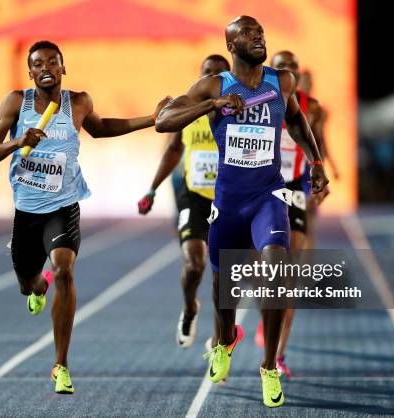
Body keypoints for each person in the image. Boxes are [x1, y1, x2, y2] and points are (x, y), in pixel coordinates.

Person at [155, 16, 328, 408]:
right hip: (228, 202)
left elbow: (297, 121)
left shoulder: (281, 81)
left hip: (267, 196)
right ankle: (224, 340)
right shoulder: (215, 85)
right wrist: (212, 105)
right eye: (249, 34)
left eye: (261, 33)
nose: (259, 38)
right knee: (223, 289)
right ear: (231, 45)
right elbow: (164, 121)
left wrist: (316, 163)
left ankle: (268, 366)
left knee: (277, 269)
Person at [0, 40, 170, 395]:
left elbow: (102, 128)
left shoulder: (78, 102)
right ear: (30, 72)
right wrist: (18, 142)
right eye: (38, 63)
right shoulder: (15, 103)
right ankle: (38, 286)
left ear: (63, 67)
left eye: (53, 60)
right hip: (27, 212)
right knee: (28, 283)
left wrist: (152, 119)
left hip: (64, 207)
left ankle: (61, 364)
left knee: (65, 270)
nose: (46, 66)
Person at [137, 54, 230, 348]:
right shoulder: (187, 109)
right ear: (200, 78)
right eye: (207, 73)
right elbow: (174, 150)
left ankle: (220, 340)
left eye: (219, 74)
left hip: (229, 198)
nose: (212, 78)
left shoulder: (239, 111)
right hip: (194, 195)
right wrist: (152, 189)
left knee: (224, 276)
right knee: (194, 265)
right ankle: (190, 307)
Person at [253, 50, 327, 378]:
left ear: (296, 73)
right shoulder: (260, 99)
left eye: (291, 68)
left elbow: (316, 141)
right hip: (264, 184)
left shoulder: (310, 107)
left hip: (295, 186)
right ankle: (265, 313)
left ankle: (278, 354)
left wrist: (319, 170)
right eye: (280, 67)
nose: (286, 72)